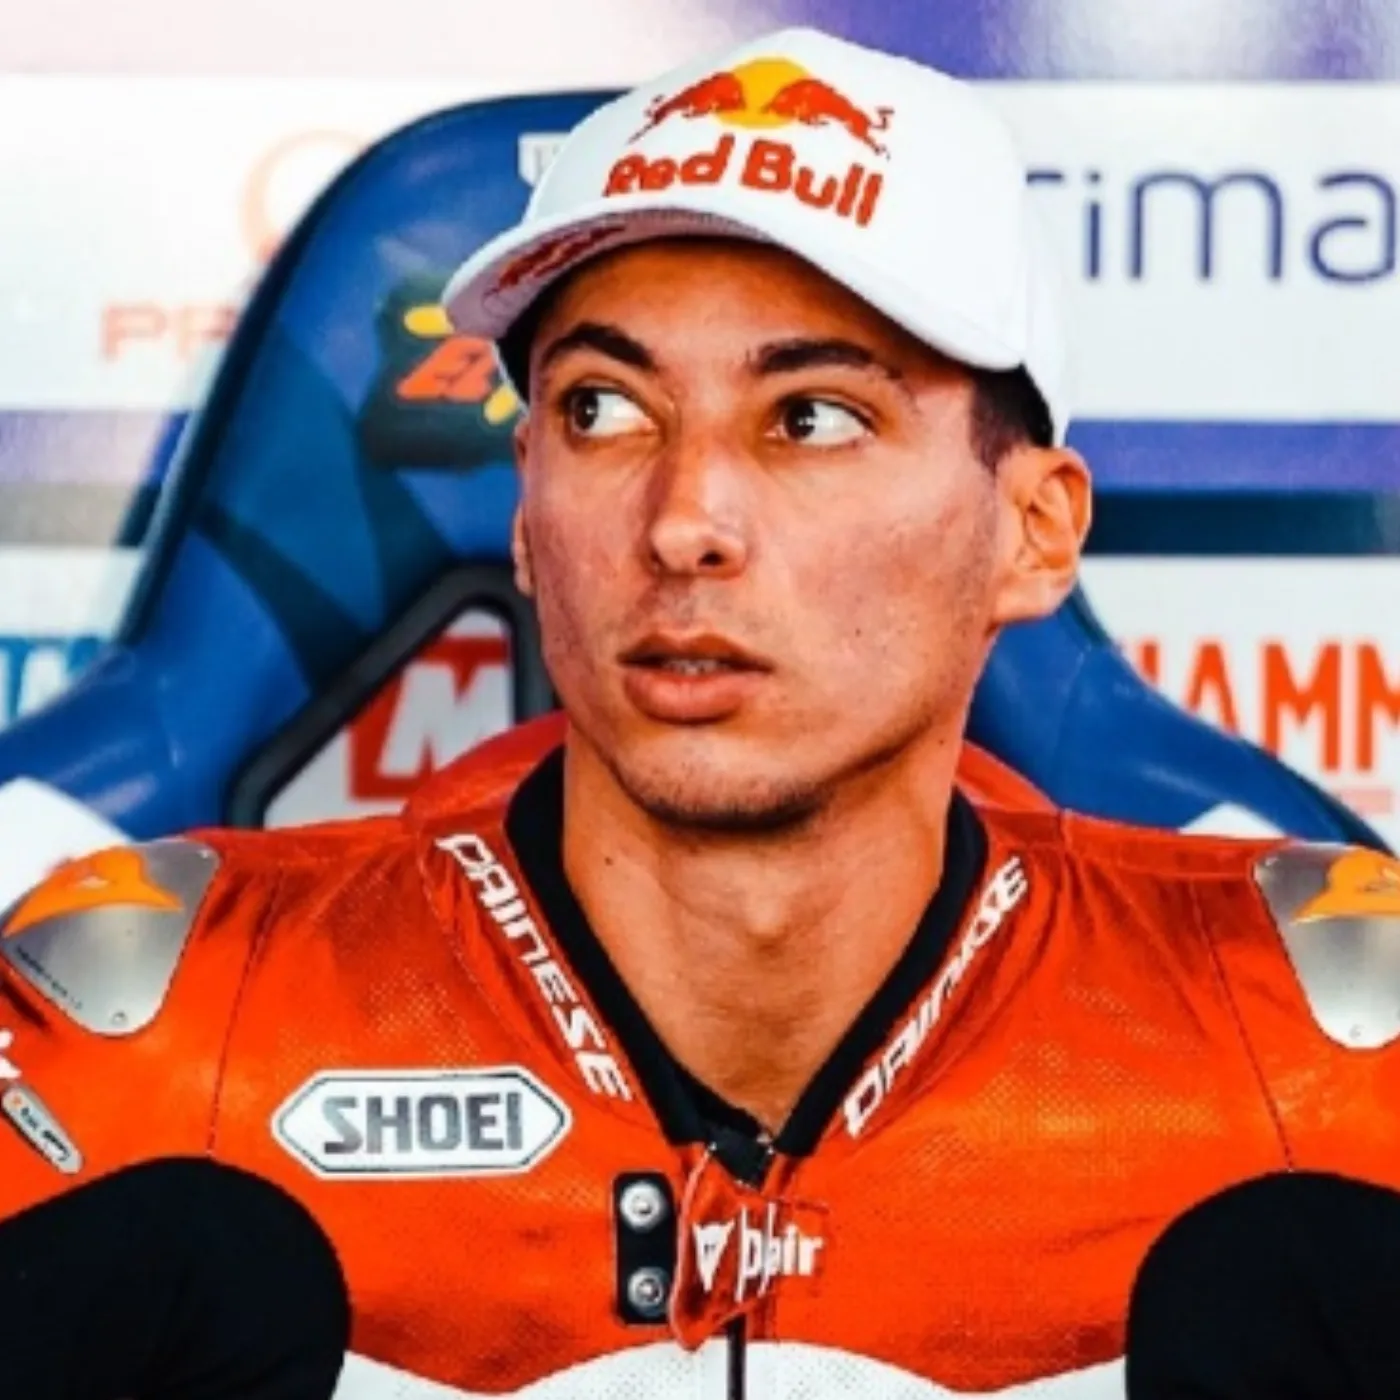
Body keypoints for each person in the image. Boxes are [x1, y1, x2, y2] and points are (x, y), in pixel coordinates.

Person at [1, 25, 1398, 1399]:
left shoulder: (1314, 1067)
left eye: (813, 418)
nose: (685, 523)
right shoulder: (165, 1040)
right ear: (528, 514)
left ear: (1034, 533)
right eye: (603, 410)